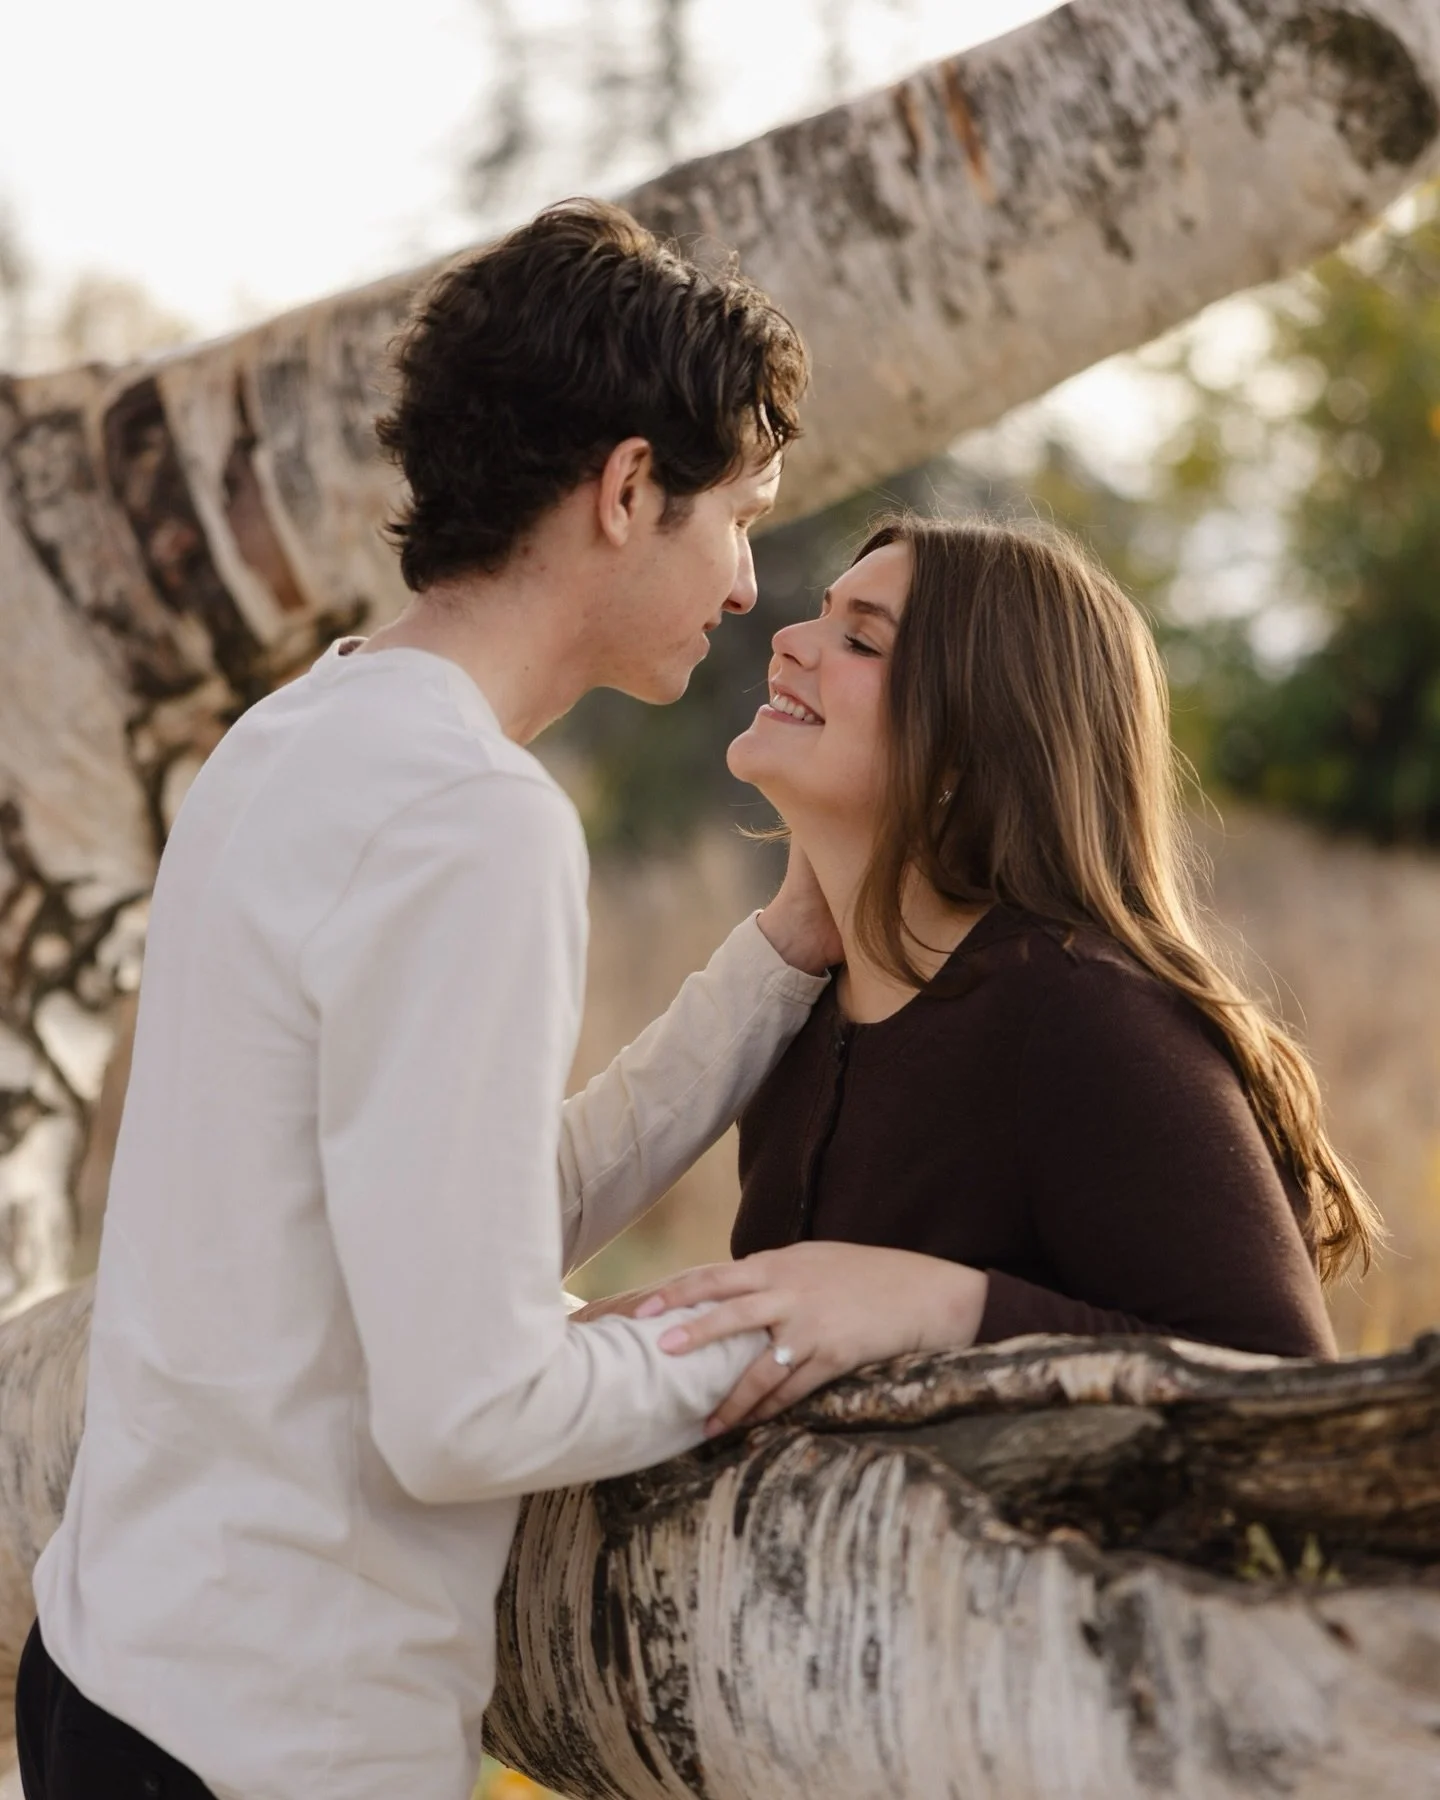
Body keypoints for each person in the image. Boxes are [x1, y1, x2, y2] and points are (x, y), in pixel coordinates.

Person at [15, 199, 857, 1800]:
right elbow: (470, 1411)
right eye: (737, 520)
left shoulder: (294, 737)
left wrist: (775, 964)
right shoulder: (475, 819)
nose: (749, 584)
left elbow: (454, 1221)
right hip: (266, 1752)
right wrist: (770, 1336)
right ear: (628, 490)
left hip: (110, 1671)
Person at [617, 516, 1381, 1433]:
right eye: (822, 613)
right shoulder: (809, 1011)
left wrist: (947, 1305)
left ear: (971, 743)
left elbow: (1285, 1392)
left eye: (860, 640)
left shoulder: (1084, 1015)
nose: (787, 639)